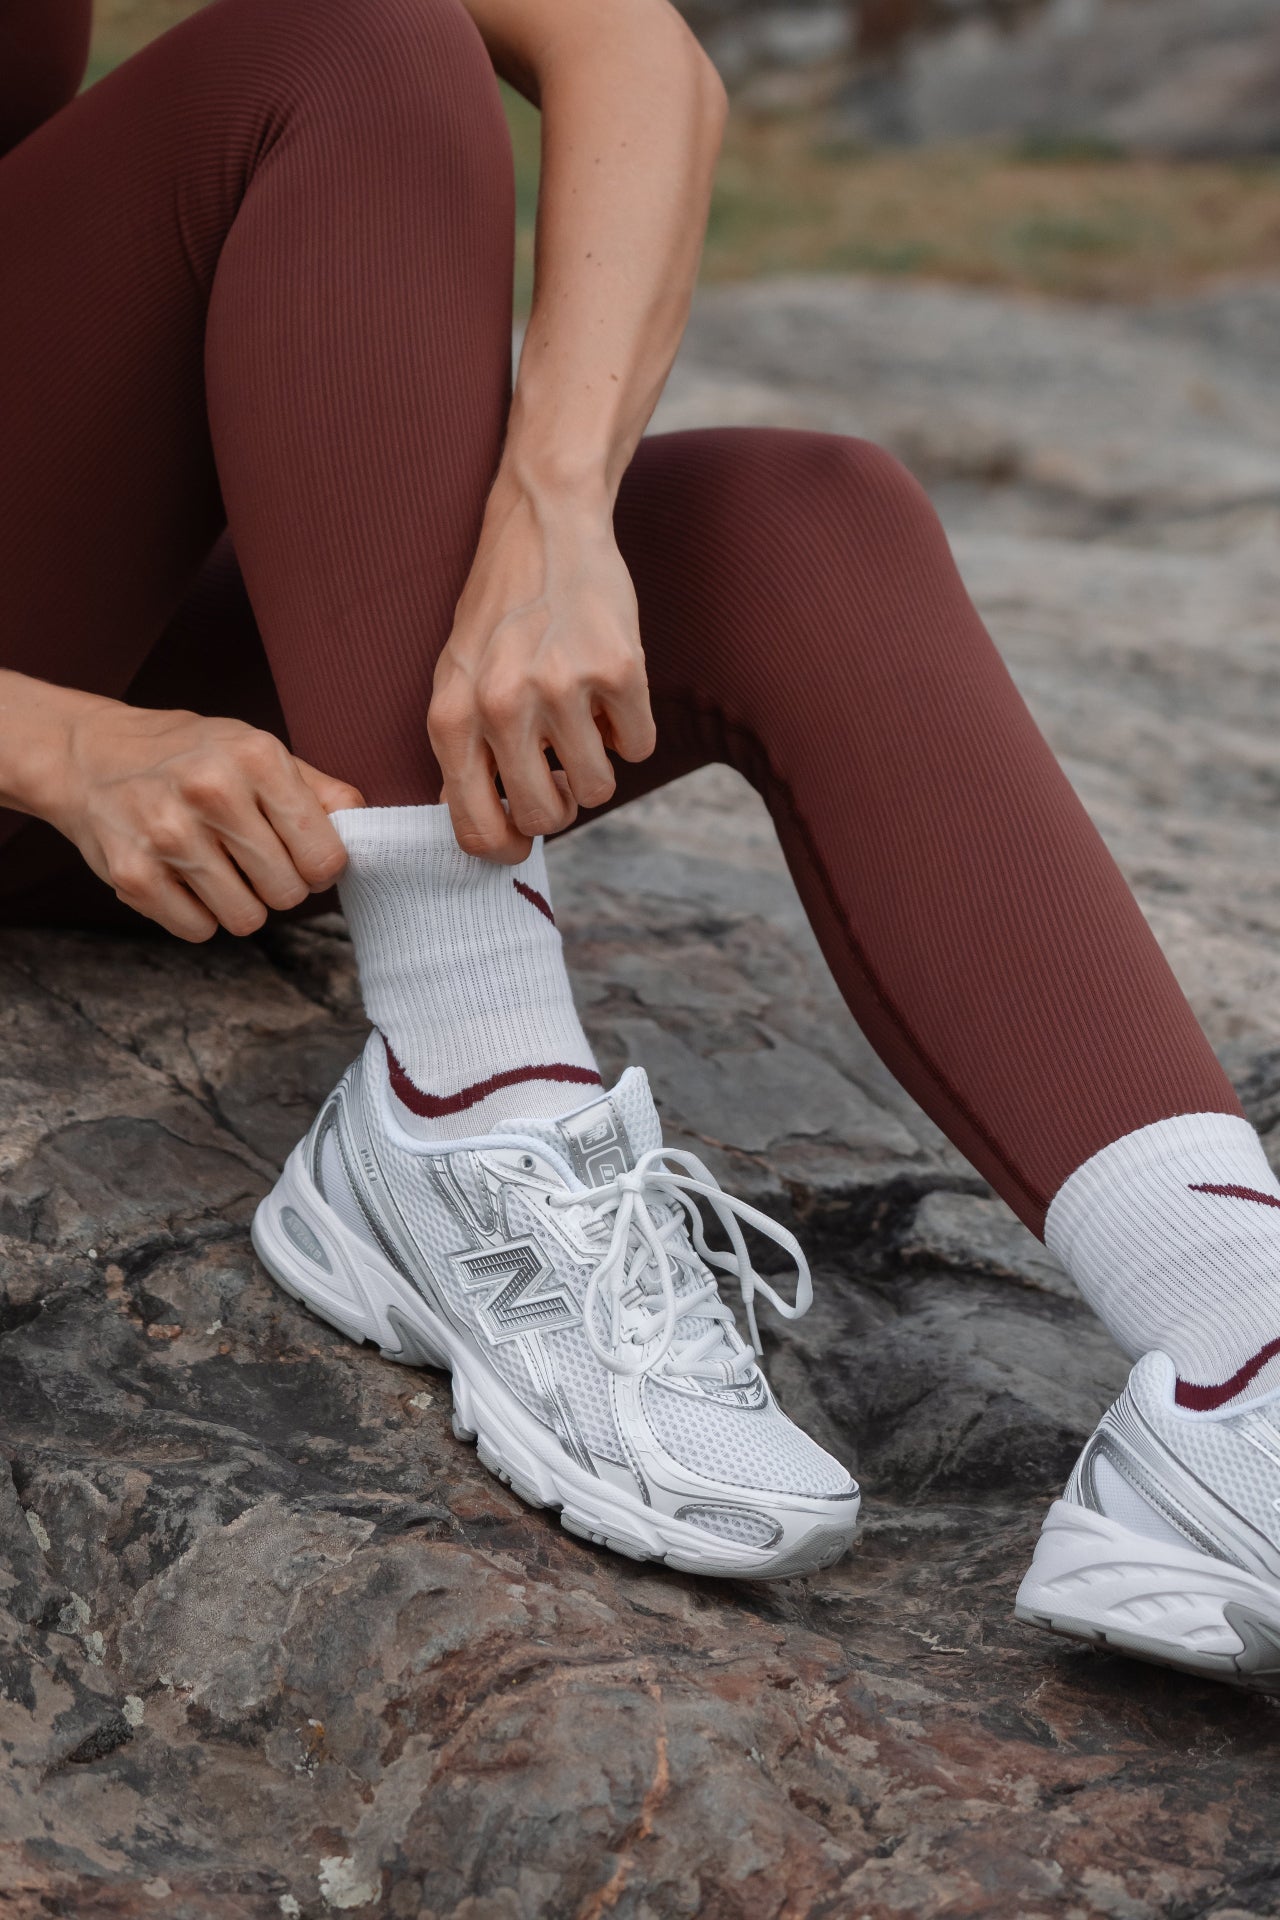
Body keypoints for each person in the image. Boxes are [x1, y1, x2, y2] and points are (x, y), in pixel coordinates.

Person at [3, 0, 1280, 1686]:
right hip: (39, 749)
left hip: (135, 647)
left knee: (801, 530)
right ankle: (466, 1093)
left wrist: (555, 509)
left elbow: (632, 51)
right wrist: (56, 746)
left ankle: (1237, 1355)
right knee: (341, 41)